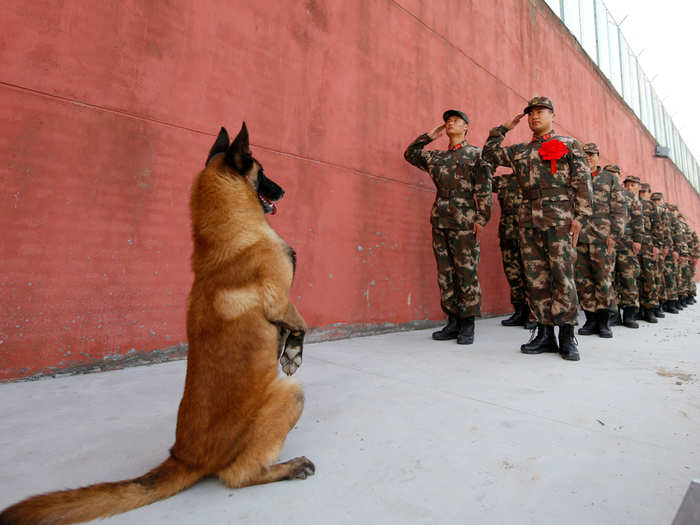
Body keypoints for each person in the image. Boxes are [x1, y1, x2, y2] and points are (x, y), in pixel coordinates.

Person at [483, 96, 593, 361]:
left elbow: (582, 180)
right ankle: (544, 334)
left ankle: (567, 336)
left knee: (562, 275)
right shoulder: (520, 150)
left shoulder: (568, 145)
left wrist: (581, 216)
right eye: (531, 113)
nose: (535, 117)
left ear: (552, 115)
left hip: (560, 218)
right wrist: (504, 128)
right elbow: (488, 154)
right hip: (528, 218)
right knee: (535, 277)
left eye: (541, 112)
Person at [404, 109, 492, 345]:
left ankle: (468, 324)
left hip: (465, 220)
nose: (450, 123)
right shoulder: (437, 157)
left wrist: (482, 218)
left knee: (466, 271)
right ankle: (452, 321)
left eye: (456, 120)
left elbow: (484, 189)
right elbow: (410, 154)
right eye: (448, 121)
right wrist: (428, 137)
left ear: (466, 128)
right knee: (445, 273)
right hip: (440, 218)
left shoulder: (476, 155)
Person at [575, 144, 625, 338]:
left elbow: (619, 208)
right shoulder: (576, 177)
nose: (588, 158)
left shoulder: (609, 178)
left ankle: (604, 322)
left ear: (598, 156)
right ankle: (590, 319)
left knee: (603, 280)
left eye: (591, 155)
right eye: (584, 155)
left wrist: (615, 235)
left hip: (603, 238)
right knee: (583, 280)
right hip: (581, 237)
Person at [493, 171, 536, 328]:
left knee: (531, 274)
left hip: (528, 234)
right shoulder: (503, 181)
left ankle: (534, 314)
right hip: (508, 232)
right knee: (513, 274)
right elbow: (483, 180)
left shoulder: (533, 177)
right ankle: (519, 311)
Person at [608, 170, 643, 328]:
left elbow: (637, 219)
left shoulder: (630, 197)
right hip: (608, 241)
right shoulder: (604, 192)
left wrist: (637, 240)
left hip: (626, 242)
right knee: (610, 278)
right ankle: (613, 314)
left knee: (628, 277)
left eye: (615, 174)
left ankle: (629, 314)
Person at [637, 182, 663, 323]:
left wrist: (657, 245)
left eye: (644, 191)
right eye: (640, 191)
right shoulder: (631, 201)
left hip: (648, 245)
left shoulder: (651, 206)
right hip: (633, 244)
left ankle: (650, 309)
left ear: (648, 192)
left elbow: (657, 227)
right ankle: (638, 308)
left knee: (649, 277)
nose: (641, 194)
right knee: (636, 277)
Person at [651, 192, 680, 314]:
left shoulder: (669, 216)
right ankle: (657, 304)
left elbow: (675, 235)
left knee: (668, 276)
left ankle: (671, 302)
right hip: (652, 248)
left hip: (667, 249)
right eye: (654, 200)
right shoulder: (651, 211)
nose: (657, 202)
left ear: (663, 201)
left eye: (658, 200)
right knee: (656, 277)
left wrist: (675, 250)